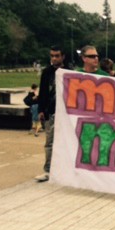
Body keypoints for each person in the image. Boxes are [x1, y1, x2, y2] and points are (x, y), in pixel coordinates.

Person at [35, 46, 68, 182]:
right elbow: (43, 92)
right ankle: (48, 170)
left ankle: (65, 169)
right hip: (51, 111)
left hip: (65, 113)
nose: (54, 58)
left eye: (57, 55)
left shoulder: (69, 71)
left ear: (63, 56)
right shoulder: (47, 72)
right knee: (49, 142)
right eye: (52, 56)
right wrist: (41, 110)